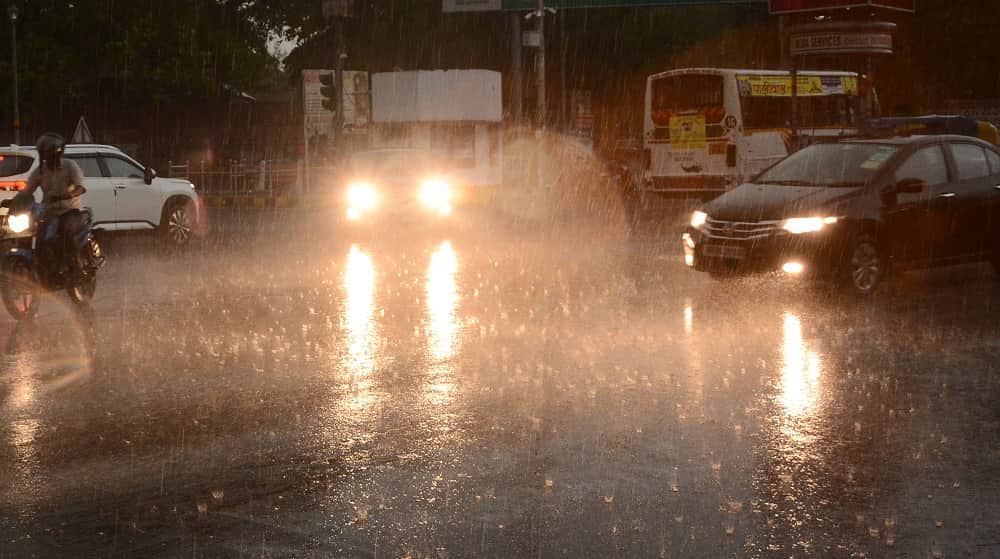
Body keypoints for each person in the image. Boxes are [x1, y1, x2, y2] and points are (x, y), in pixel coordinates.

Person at [24, 132, 88, 274]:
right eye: (43, 153)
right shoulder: (40, 171)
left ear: (56, 153)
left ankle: (77, 266)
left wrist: (67, 195)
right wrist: (16, 200)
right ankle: (46, 265)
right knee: (37, 233)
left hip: (71, 210)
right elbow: (27, 190)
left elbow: (80, 188)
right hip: (49, 212)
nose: (45, 156)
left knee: (66, 231)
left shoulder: (70, 165)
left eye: (48, 152)